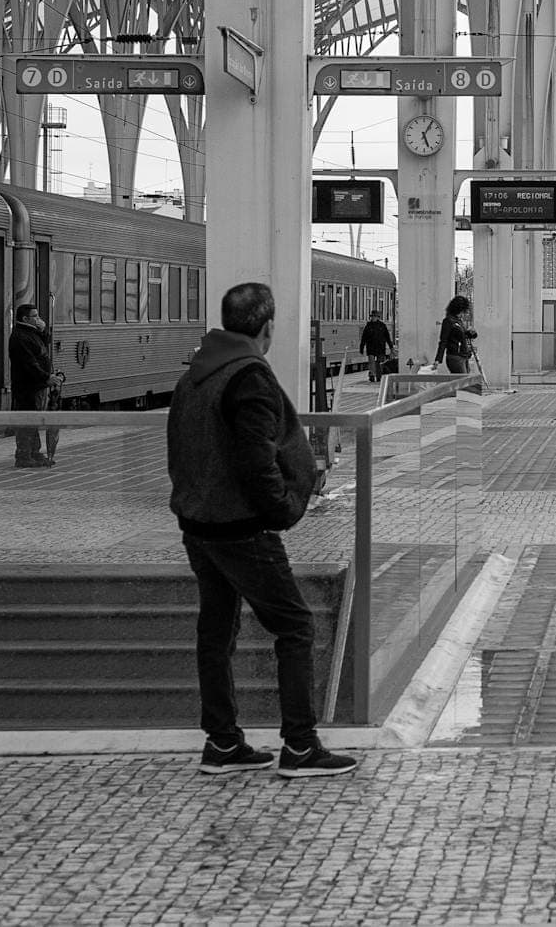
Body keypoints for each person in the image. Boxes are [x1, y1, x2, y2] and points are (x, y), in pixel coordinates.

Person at [167, 281, 358, 779]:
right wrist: (281, 509)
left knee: (216, 631)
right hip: (240, 528)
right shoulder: (248, 376)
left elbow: (180, 448)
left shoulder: (197, 373)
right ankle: (300, 746)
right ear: (268, 326)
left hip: (199, 524)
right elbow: (257, 457)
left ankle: (224, 743)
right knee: (295, 627)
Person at [7, 303, 56, 468]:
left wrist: (43, 330)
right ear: (25, 318)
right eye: (34, 316)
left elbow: (43, 347)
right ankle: (23, 456)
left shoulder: (30, 333)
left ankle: (34, 452)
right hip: (26, 387)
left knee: (33, 419)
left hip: (35, 385)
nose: (38, 319)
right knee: (27, 419)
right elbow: (29, 362)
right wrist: (46, 377)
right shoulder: (20, 337)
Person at [436, 295, 476, 374]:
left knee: (464, 382)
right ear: (457, 310)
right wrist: (438, 359)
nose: (463, 314)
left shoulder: (459, 321)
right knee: (462, 382)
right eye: (462, 311)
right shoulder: (448, 321)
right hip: (455, 357)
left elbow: (462, 336)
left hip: (464, 355)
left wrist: (471, 333)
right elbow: (443, 341)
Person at [360, 309, 393, 382]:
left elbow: (387, 337)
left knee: (379, 362)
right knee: (371, 361)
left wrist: (391, 347)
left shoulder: (382, 326)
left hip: (380, 347)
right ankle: (372, 374)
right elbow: (364, 337)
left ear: (378, 317)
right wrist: (361, 347)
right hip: (371, 347)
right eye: (372, 316)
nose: (373, 318)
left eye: (375, 316)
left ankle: (379, 376)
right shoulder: (368, 326)